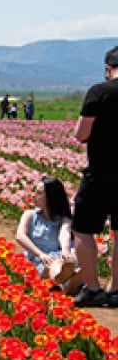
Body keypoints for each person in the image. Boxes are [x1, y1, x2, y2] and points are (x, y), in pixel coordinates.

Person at [70, 46, 118, 308]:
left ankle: (93, 289)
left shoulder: (99, 92)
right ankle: (116, 290)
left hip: (101, 172)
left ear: (108, 68)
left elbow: (82, 134)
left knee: (84, 229)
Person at [16, 177, 82, 291]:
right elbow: (20, 236)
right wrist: (41, 254)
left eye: (39, 193)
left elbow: (64, 233)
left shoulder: (63, 219)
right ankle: (68, 280)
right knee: (52, 264)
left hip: (59, 255)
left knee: (73, 253)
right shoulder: (30, 215)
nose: (34, 195)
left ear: (51, 197)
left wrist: (65, 251)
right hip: (38, 258)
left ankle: (65, 278)